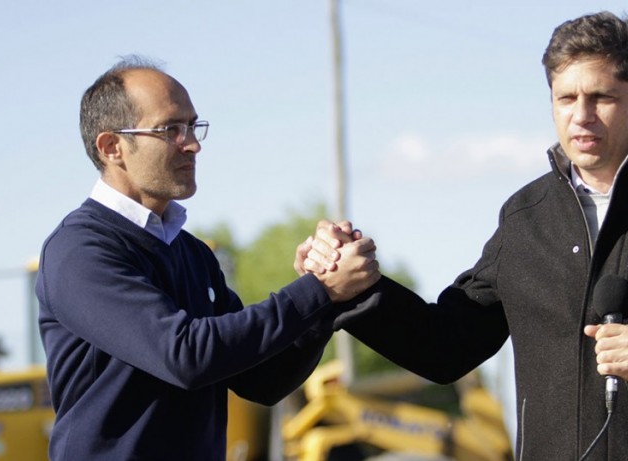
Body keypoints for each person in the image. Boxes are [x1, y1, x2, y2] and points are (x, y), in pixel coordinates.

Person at [297, 11, 628, 461]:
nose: (581, 115)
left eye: (601, 97)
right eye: (566, 98)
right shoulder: (525, 216)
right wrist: (357, 290)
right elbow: (447, 345)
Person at [35, 56, 380, 460]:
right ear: (112, 147)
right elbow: (184, 355)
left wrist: (324, 299)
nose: (193, 144)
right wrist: (316, 292)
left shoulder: (192, 253)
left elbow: (262, 382)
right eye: (171, 129)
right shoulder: (80, 251)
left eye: (193, 126)